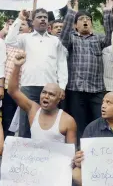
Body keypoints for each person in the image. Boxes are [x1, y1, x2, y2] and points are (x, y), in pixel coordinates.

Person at [5, 9, 68, 138]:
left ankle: (46, 152)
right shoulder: (25, 38)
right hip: (28, 86)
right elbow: (9, 41)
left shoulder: (55, 41)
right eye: (39, 17)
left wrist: (62, 86)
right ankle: (24, 154)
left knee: (50, 123)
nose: (43, 19)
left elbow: (62, 64)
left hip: (50, 88)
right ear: (32, 22)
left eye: (45, 17)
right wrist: (20, 19)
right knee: (25, 124)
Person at [60, 0, 113, 145]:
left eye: (88, 19)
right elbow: (63, 37)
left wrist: (108, 13)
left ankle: (99, 150)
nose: (85, 21)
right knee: (78, 124)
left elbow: (110, 37)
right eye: (82, 19)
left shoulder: (99, 38)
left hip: (96, 89)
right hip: (76, 90)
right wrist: (71, 12)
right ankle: (80, 152)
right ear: (75, 25)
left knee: (100, 122)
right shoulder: (71, 39)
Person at [8, 52, 77, 144]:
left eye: (51, 94)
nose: (46, 96)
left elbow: (71, 151)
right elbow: (13, 91)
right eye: (44, 92)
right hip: (36, 157)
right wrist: (17, 66)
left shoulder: (68, 120)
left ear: (59, 99)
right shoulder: (33, 110)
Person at [1, 18, 33, 138]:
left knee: (23, 120)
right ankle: (7, 145)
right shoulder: (8, 43)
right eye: (18, 24)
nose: (19, 26)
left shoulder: (31, 44)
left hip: (24, 89)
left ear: (30, 29)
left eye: (23, 24)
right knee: (7, 119)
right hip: (8, 88)